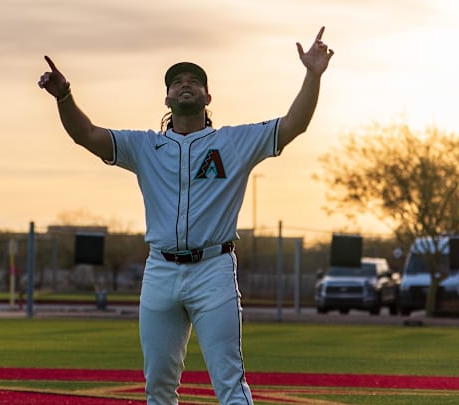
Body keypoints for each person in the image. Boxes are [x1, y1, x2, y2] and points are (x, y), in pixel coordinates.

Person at [38, 26, 333, 405]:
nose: (185, 85)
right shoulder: (144, 145)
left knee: (228, 381)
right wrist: (64, 96)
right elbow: (87, 134)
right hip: (160, 270)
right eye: (177, 82)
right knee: (158, 386)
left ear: (209, 96)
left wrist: (312, 74)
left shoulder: (234, 141)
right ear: (167, 98)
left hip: (213, 269)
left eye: (194, 80)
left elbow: (295, 124)